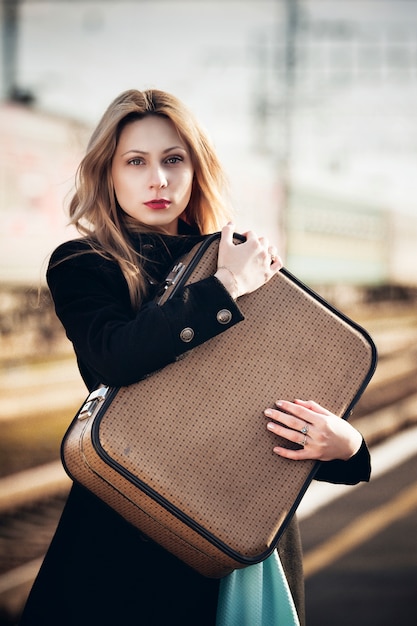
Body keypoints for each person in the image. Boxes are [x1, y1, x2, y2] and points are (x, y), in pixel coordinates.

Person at [19, 88, 371, 626]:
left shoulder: (240, 254)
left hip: (249, 534)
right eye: (135, 161)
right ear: (107, 173)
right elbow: (116, 359)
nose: (157, 179)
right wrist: (227, 285)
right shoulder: (85, 264)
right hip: (135, 530)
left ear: (195, 168)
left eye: (173, 159)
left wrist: (347, 447)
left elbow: (264, 402)